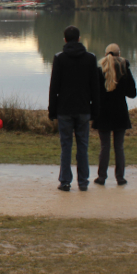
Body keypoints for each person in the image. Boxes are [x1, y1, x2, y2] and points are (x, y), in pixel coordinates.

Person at [48, 26, 100, 192]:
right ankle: (83, 182)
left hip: (64, 109)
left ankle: (65, 181)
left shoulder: (59, 58)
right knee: (83, 146)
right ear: (79, 39)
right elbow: (95, 87)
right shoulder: (91, 58)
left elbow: (54, 86)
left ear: (65, 39)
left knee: (66, 147)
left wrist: (52, 109)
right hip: (84, 108)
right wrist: (96, 109)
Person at [92, 44, 137, 186]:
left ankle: (101, 177)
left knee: (104, 146)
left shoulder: (99, 71)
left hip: (103, 113)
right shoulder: (124, 71)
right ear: (119, 55)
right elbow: (132, 93)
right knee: (119, 147)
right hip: (120, 112)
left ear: (105, 55)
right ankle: (120, 177)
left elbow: (93, 93)